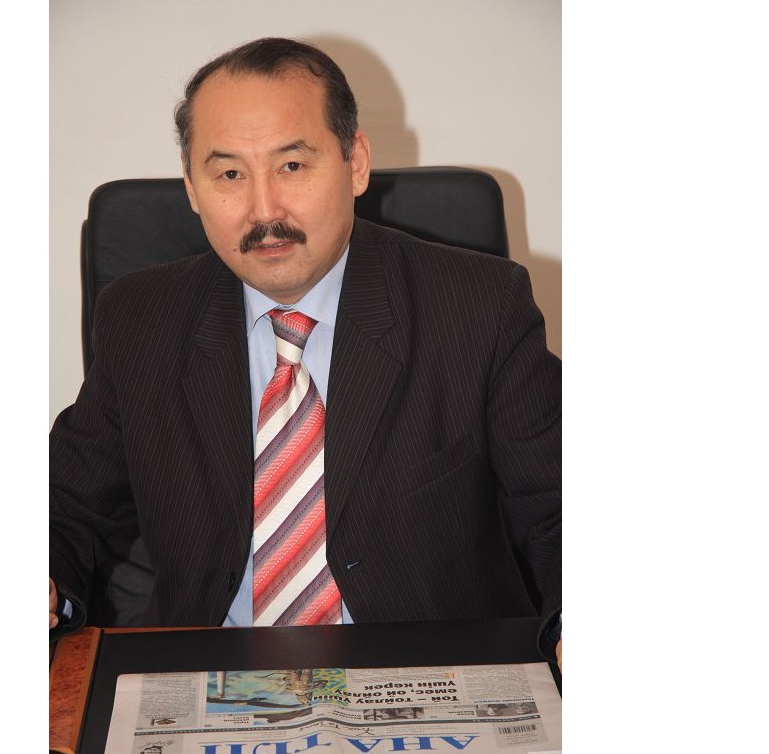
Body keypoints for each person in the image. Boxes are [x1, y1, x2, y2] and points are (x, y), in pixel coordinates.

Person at [50, 37, 561, 666]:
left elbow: (559, 505)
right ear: (191, 186)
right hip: (209, 677)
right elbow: (64, 503)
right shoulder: (142, 320)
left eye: (292, 166)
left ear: (355, 163)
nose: (264, 210)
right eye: (229, 174)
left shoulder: (478, 308)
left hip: (430, 676)